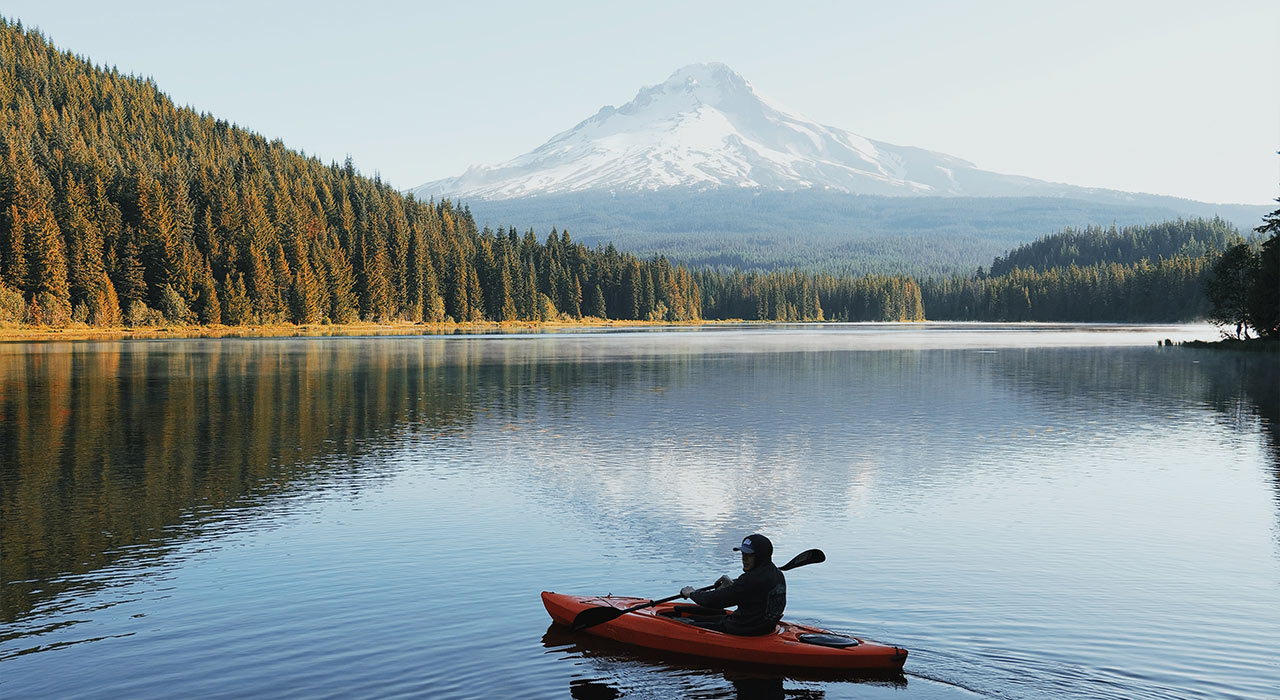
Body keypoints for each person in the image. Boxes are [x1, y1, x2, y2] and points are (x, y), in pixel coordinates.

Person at [678, 533, 786, 636]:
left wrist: (692, 593)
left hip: (743, 630)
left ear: (760, 556)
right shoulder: (777, 574)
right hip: (762, 627)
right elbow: (750, 593)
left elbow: (713, 601)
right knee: (697, 617)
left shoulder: (750, 580)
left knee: (683, 623)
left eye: (749, 555)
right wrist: (732, 586)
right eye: (743, 553)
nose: (744, 558)